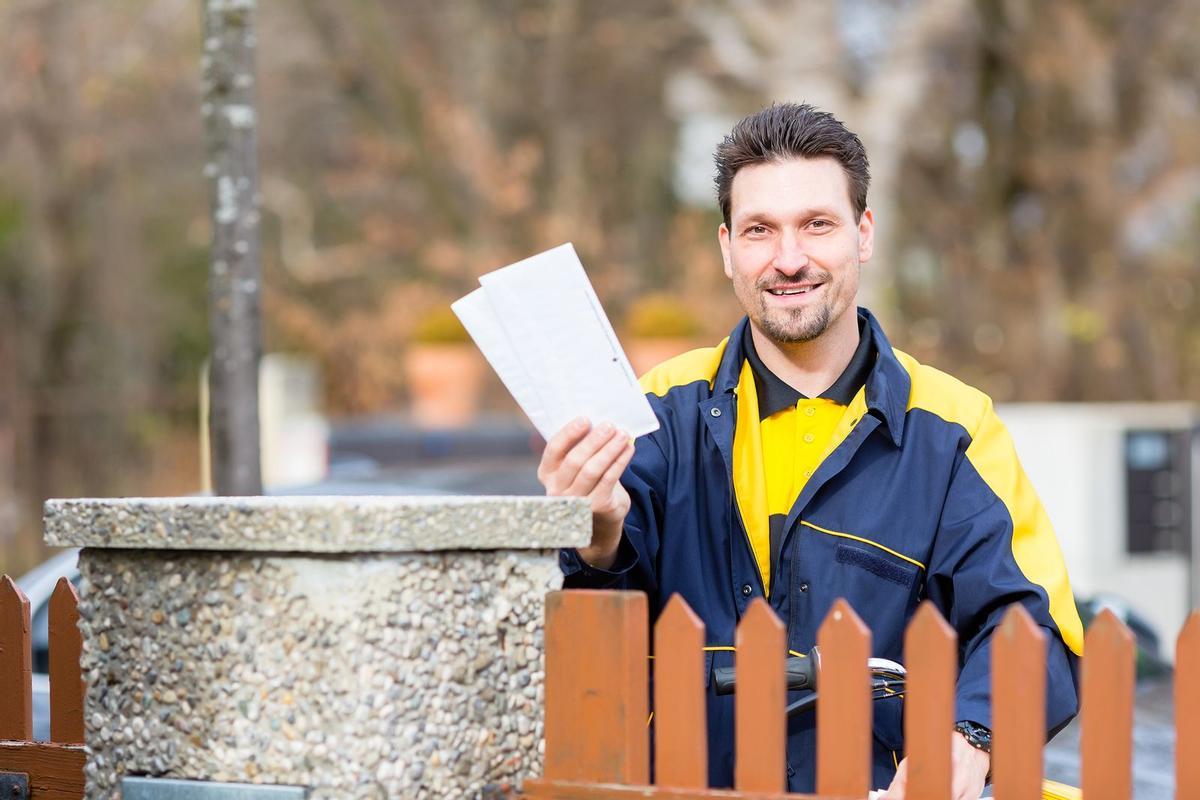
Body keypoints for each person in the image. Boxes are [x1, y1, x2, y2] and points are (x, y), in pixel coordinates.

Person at [536, 103, 1082, 798]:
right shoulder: (654, 410)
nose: (789, 259)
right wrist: (598, 534)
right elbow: (587, 645)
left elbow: (1033, 625)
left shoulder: (953, 425)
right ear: (727, 247)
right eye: (761, 230)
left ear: (863, 233)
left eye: (816, 224)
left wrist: (971, 738)